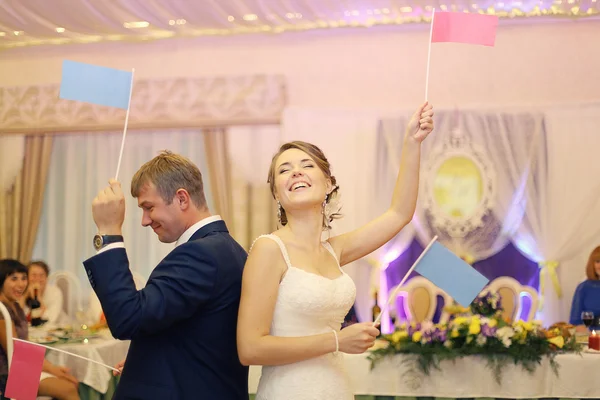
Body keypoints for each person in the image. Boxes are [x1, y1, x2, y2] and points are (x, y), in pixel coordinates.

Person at [237, 102, 434, 399]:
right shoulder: (269, 249)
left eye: (307, 165)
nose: (296, 173)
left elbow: (399, 214)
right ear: (277, 193)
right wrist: (336, 341)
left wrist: (412, 143)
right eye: (284, 170)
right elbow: (250, 348)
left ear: (328, 183)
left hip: (336, 388)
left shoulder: (334, 250)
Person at [84, 151, 248, 400]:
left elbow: (128, 318)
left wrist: (108, 233)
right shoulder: (224, 248)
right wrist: (147, 362)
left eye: (149, 207)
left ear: (182, 198)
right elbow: (200, 335)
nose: (144, 221)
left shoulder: (201, 253)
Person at [0, 259, 79, 400]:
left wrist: (52, 367)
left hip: (19, 369)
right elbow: (17, 352)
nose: (21, 284)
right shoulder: (2, 311)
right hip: (8, 376)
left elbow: (26, 346)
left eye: (24, 278)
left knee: (70, 383)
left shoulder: (15, 306)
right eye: (13, 279)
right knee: (68, 389)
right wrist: (53, 369)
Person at [24, 261, 66, 325]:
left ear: (47, 278)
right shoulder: (21, 291)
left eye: (41, 275)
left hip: (57, 328)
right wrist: (24, 296)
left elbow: (50, 319)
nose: (38, 279)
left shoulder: (55, 292)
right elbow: (17, 318)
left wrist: (37, 297)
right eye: (34, 275)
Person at [569, 245, 600, 332]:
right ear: (592, 264)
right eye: (598, 261)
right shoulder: (583, 287)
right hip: (589, 335)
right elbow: (575, 320)